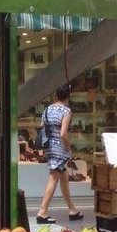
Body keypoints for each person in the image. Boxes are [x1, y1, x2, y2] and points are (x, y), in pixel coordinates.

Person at [36, 85, 81, 224]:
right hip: (59, 147)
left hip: (49, 146)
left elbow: (42, 126)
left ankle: (72, 209)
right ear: (68, 97)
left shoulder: (48, 109)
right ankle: (42, 212)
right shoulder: (66, 111)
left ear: (56, 96)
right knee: (54, 176)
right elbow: (63, 134)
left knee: (64, 176)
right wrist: (68, 149)